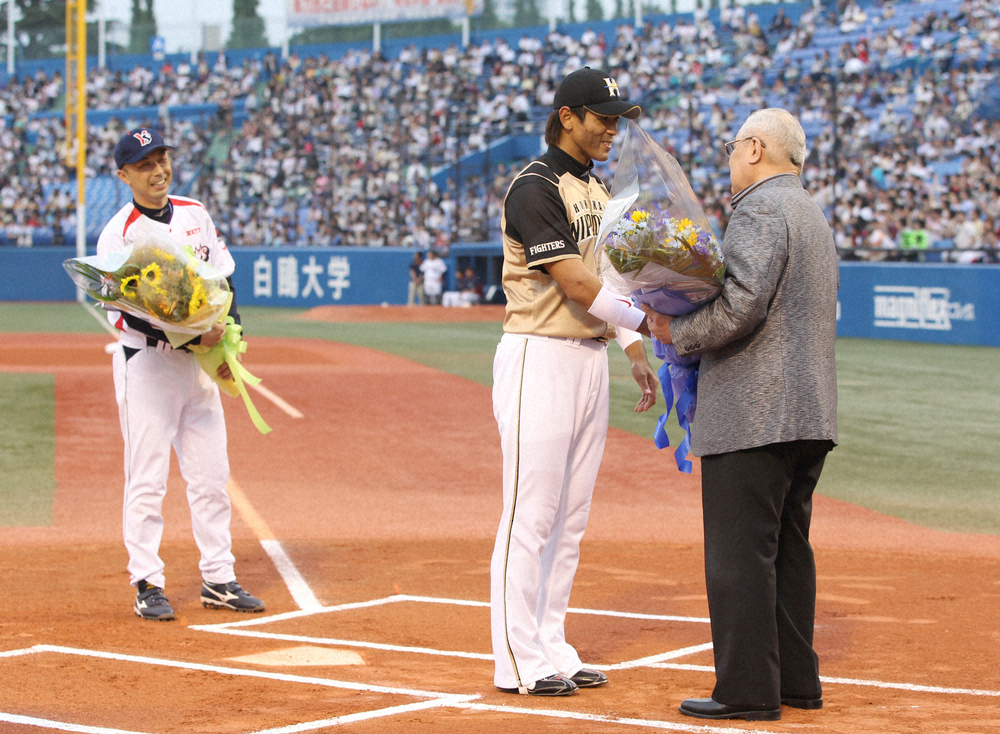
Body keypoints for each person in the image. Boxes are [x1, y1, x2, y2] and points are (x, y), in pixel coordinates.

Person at [641, 108, 838, 721]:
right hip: (809, 411)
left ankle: (748, 689)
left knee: (739, 555)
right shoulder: (810, 211)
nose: (729, 160)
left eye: (733, 148)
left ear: (754, 149)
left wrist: (676, 329)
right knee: (787, 550)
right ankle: (795, 681)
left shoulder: (759, 208)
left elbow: (742, 305)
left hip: (755, 413)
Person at [490, 67, 658, 697]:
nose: (613, 128)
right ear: (568, 118)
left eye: (616, 119)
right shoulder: (532, 187)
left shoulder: (598, 188)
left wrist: (634, 348)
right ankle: (516, 656)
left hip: (586, 358)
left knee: (570, 517)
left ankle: (551, 644)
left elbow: (610, 277)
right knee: (528, 515)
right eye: (603, 118)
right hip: (539, 355)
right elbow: (577, 284)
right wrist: (657, 324)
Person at [98, 127, 266, 621]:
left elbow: (224, 277)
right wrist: (194, 337)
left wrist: (229, 331)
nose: (158, 171)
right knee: (147, 479)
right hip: (147, 365)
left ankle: (218, 578)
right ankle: (147, 581)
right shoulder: (119, 232)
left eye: (163, 159)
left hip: (199, 368)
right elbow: (126, 313)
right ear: (124, 174)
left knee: (212, 477)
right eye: (145, 164)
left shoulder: (195, 212)